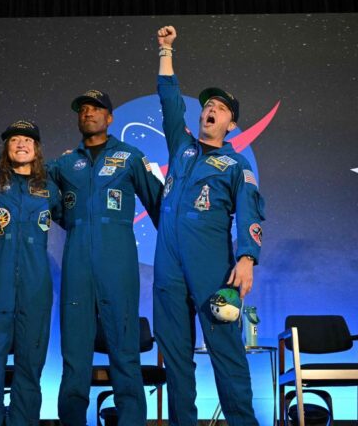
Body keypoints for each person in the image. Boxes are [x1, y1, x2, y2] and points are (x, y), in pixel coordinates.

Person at [152, 25, 266, 425]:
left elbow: (250, 212)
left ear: (230, 123)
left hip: (212, 269)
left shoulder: (236, 164)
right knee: (175, 358)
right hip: (168, 270)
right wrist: (165, 51)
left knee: (227, 353)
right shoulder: (181, 147)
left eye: (219, 107)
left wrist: (247, 259)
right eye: (206, 105)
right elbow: (169, 100)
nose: (209, 109)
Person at [49, 90, 163, 425]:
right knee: (74, 356)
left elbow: (161, 206)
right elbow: (42, 196)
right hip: (77, 263)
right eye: (82, 109)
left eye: (96, 108)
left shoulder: (130, 157)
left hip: (118, 261)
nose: (88, 113)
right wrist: (75, 222)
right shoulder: (64, 164)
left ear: (110, 118)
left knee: (125, 352)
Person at [0, 119, 62, 426]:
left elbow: (76, 221)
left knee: (31, 363)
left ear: (37, 149)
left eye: (28, 140)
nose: (21, 144)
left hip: (36, 287)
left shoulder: (50, 189)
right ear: (6, 148)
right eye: (14, 140)